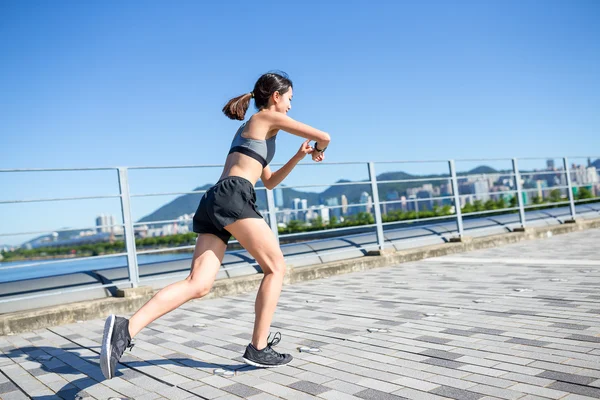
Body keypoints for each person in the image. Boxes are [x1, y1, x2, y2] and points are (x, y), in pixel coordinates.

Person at [100, 71, 330, 379]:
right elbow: (325, 135)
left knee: (198, 283)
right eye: (289, 99)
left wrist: (300, 156)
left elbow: (271, 182)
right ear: (276, 97)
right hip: (234, 196)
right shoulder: (265, 118)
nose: (290, 106)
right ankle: (258, 348)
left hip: (217, 199)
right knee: (276, 267)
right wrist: (319, 148)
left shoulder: (259, 130)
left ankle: (125, 330)